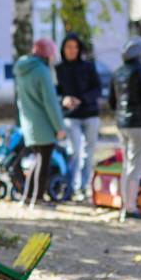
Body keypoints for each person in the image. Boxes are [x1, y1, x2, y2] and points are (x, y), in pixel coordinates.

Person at [108, 36, 141, 221]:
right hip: (140, 125)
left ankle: (125, 205)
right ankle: (130, 209)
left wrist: (122, 116)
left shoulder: (118, 72)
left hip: (122, 125)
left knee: (126, 166)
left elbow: (112, 102)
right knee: (136, 168)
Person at [14, 38, 66, 205]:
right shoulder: (42, 71)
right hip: (44, 124)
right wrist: (59, 127)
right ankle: (37, 198)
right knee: (43, 164)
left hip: (29, 123)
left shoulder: (22, 69)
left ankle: (27, 197)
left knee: (37, 161)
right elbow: (50, 102)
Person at [55, 33, 101, 200]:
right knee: (74, 152)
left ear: (79, 48)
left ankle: (83, 187)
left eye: (75, 47)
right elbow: (55, 93)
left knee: (88, 153)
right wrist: (64, 100)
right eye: (68, 47)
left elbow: (98, 89)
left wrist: (81, 99)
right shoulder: (59, 69)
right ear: (63, 49)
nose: (72, 50)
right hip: (70, 116)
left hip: (90, 114)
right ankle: (71, 187)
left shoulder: (89, 66)